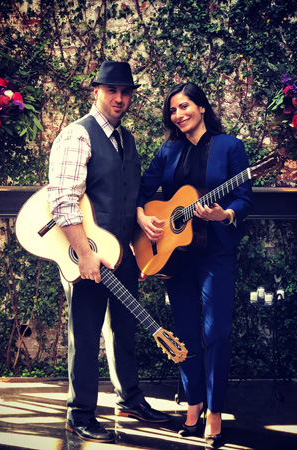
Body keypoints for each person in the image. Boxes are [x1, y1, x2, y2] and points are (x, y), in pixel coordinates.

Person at [47, 61, 170, 443]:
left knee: (124, 329)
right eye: (112, 90)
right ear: (96, 91)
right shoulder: (77, 136)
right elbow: (63, 201)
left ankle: (129, 398)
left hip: (125, 255)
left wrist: (139, 249)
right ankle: (78, 413)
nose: (119, 98)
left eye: (126, 92)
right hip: (87, 255)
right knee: (85, 336)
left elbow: (128, 196)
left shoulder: (126, 139)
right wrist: (84, 253)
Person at [137, 82, 253, 447]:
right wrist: (142, 217)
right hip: (175, 255)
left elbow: (244, 198)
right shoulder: (167, 150)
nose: (178, 115)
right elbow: (143, 190)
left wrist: (225, 213)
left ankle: (215, 411)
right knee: (185, 332)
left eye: (184, 106)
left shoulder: (230, 147)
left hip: (215, 251)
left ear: (202, 108)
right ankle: (193, 403)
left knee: (216, 331)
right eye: (173, 110)